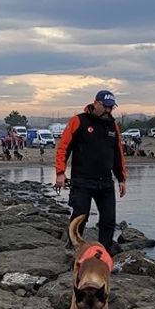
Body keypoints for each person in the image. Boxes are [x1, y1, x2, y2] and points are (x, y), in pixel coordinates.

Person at [54, 89, 127, 253]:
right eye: (106, 107)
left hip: (105, 182)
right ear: (96, 104)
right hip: (82, 181)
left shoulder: (112, 125)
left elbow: (117, 154)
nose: (108, 111)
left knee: (108, 220)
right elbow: (63, 148)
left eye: (111, 108)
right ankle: (73, 249)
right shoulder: (78, 121)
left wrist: (122, 179)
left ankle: (104, 252)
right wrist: (60, 172)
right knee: (81, 216)